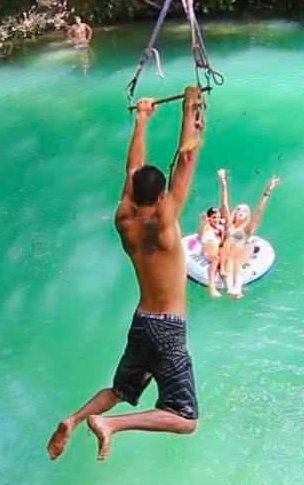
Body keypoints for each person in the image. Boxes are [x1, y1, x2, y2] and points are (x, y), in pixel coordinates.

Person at [48, 86, 205, 461]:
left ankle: (74, 418)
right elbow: (186, 159)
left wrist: (142, 119)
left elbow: (133, 169)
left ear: (133, 194)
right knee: (185, 419)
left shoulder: (123, 219)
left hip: (142, 322)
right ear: (162, 197)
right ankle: (110, 424)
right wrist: (192, 107)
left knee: (121, 390)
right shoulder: (165, 223)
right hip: (167, 328)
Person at [218, 170, 282, 299]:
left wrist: (268, 191)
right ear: (235, 212)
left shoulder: (248, 228)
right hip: (229, 253)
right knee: (229, 258)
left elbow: (259, 210)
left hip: (243, 250)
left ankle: (237, 287)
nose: (241, 211)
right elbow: (224, 204)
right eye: (239, 209)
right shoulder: (228, 225)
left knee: (236, 261)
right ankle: (231, 289)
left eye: (245, 210)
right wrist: (223, 182)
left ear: (248, 215)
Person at [195, 205, 225, 298]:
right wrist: (204, 222)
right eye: (214, 217)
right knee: (216, 259)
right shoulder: (206, 226)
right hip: (207, 254)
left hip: (217, 253)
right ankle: (211, 287)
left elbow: (221, 244)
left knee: (223, 253)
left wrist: (222, 233)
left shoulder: (220, 228)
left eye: (218, 217)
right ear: (209, 218)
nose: (216, 219)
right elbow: (199, 236)